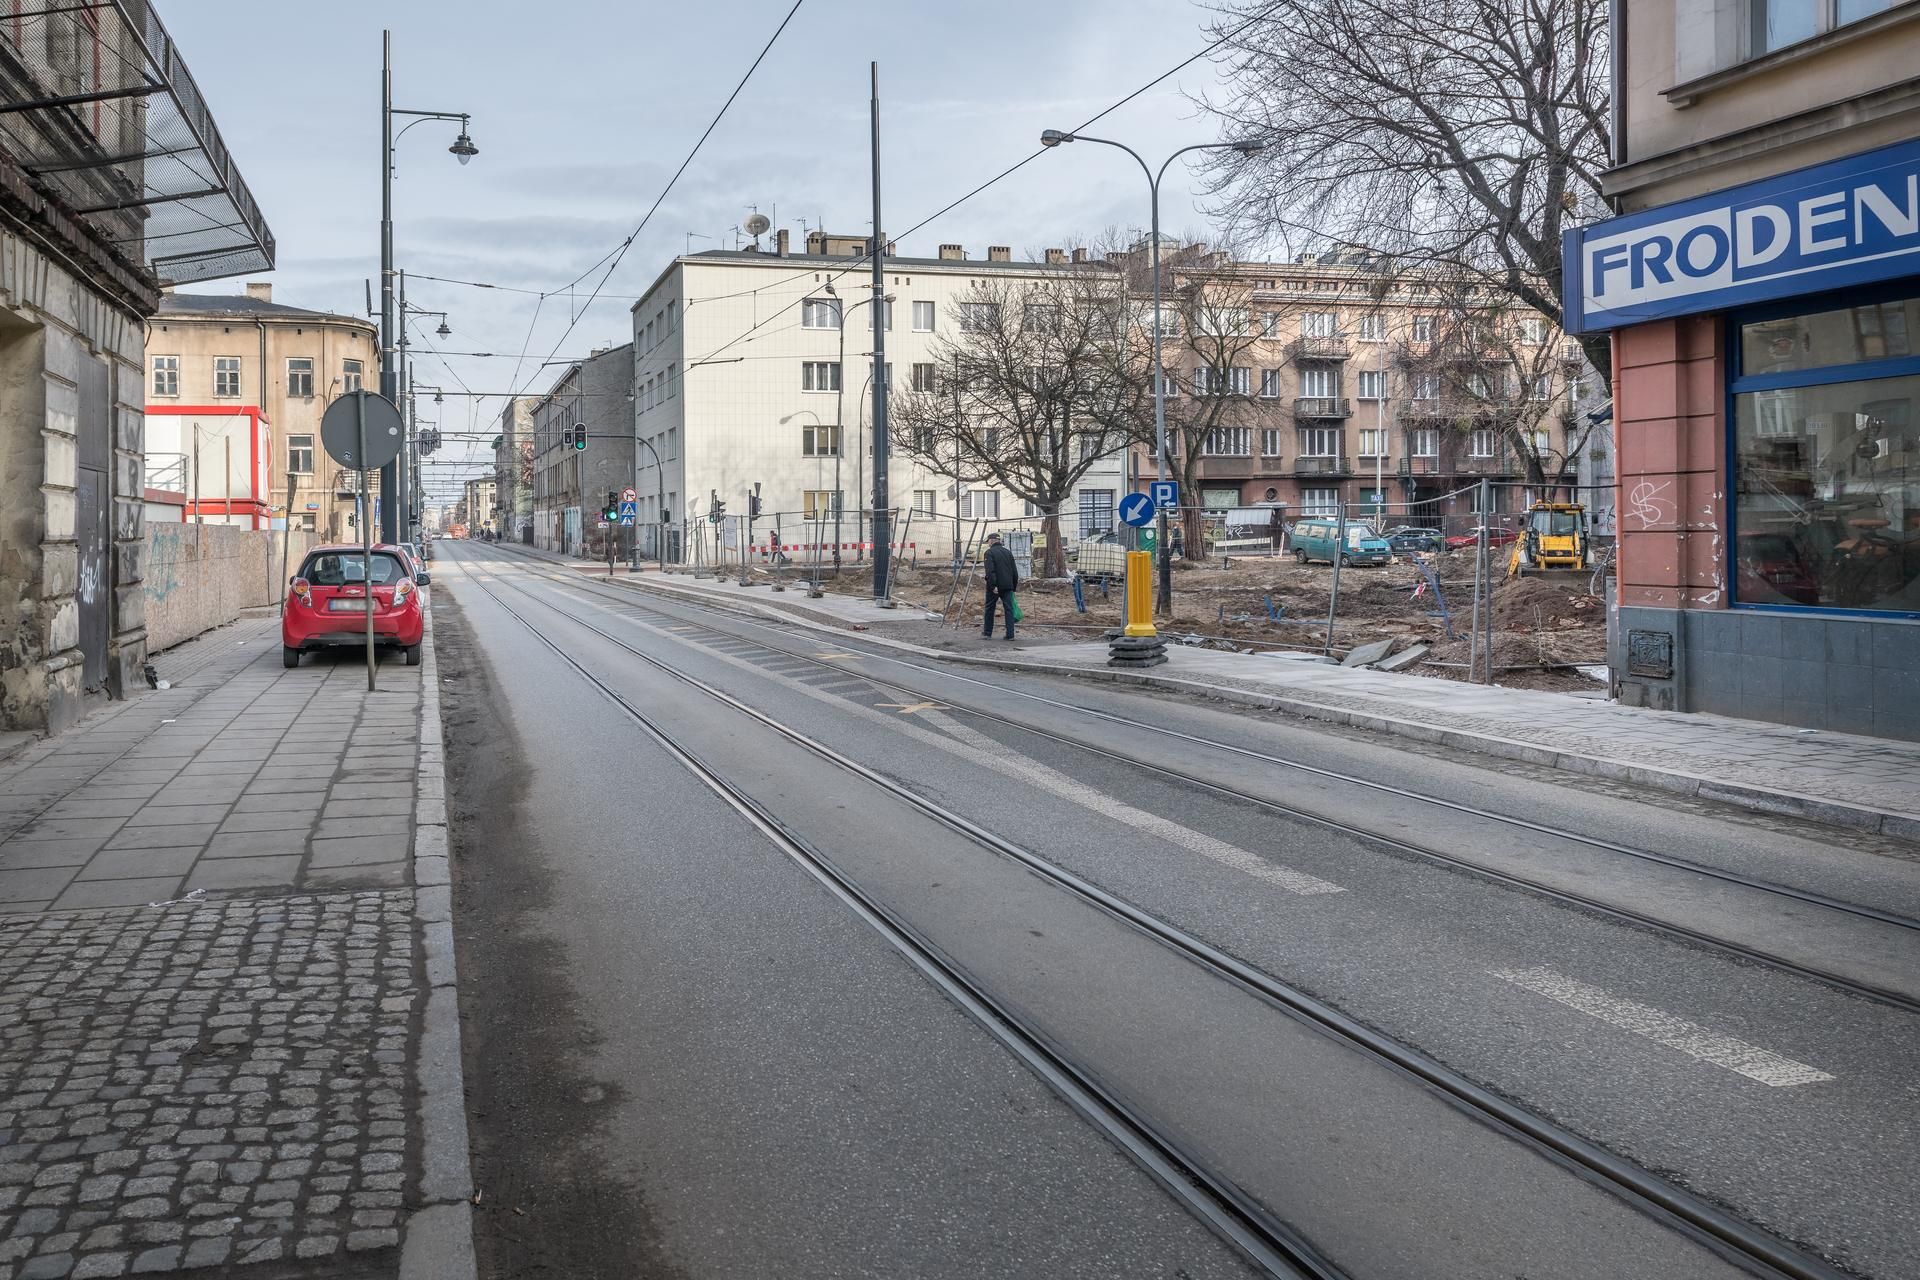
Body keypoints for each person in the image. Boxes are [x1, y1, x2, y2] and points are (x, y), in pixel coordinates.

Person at [982, 531, 1018, 640]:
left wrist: (993, 586)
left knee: (989, 609)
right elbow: (1014, 571)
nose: (988, 543)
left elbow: (990, 571)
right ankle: (1010, 635)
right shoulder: (1008, 552)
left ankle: (987, 633)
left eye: (988, 541)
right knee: (1009, 610)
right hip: (1008, 586)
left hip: (995, 587)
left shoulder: (989, 553)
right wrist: (1013, 587)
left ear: (991, 541)